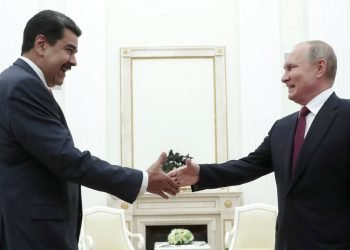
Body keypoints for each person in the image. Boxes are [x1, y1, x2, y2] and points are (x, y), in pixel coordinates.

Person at [0, 10, 178, 250]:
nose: (74, 61)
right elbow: (67, 159)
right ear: (41, 45)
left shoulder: (12, 82)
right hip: (35, 233)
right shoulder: (23, 86)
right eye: (69, 50)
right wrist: (143, 180)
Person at [169, 40, 350, 250]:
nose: (284, 78)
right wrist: (201, 174)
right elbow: (248, 166)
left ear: (320, 67)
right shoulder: (282, 128)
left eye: (291, 68)